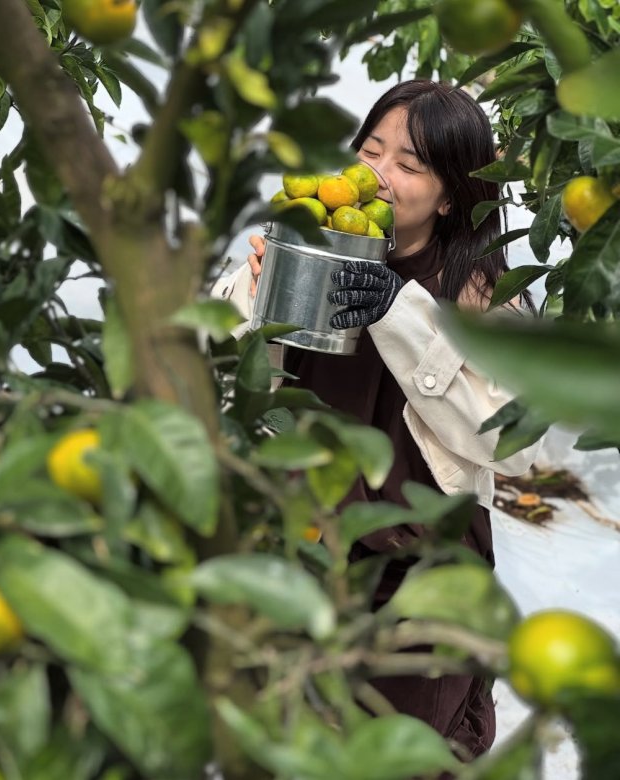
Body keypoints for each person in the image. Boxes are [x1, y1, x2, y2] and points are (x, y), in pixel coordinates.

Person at [212, 80, 541, 762]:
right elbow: (219, 374)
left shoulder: (483, 296)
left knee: (403, 756)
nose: (379, 175)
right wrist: (254, 290)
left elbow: (510, 446)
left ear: (449, 194)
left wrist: (399, 312)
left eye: (410, 164)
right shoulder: (314, 239)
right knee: (287, 742)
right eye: (371, 150)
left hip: (418, 567)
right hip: (305, 547)